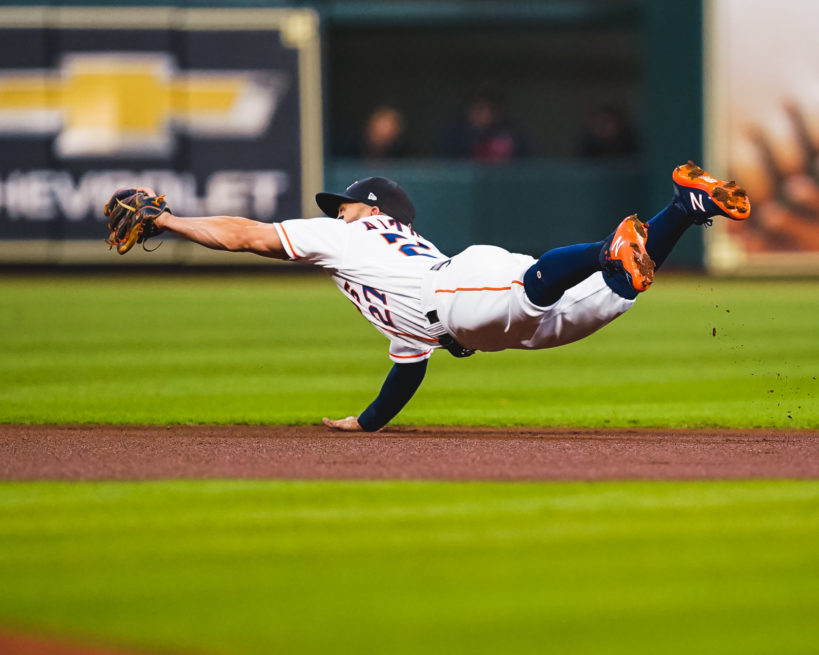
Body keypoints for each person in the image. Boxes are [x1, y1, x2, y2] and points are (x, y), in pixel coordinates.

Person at [137, 161, 750, 431]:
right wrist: (367, 422)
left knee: (541, 281)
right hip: (473, 315)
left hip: (458, 287)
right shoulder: (380, 266)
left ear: (370, 208)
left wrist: (167, 223)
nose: (336, 208)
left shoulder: (344, 234)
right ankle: (685, 207)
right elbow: (407, 366)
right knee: (614, 297)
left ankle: (604, 248)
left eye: (343, 201)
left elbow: (244, 236)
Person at [444, 86, 529, 164]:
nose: (486, 114)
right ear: (469, 110)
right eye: (480, 108)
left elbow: (523, 165)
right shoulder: (456, 136)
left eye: (492, 109)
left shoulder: (511, 133)